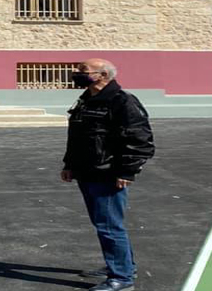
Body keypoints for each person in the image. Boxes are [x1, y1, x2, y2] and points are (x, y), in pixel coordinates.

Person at [61, 59, 155, 291]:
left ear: (103, 75)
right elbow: (78, 137)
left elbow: (140, 139)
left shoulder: (122, 101)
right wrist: (69, 164)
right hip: (87, 171)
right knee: (105, 223)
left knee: (109, 226)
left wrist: (127, 171)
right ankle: (122, 265)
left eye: (83, 70)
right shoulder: (86, 99)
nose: (76, 73)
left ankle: (121, 278)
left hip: (107, 173)